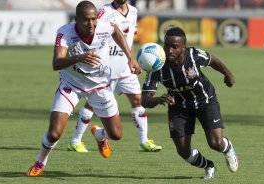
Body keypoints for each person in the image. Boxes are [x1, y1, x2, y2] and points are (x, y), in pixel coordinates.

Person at [26, 0, 140, 177]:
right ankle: (40, 161)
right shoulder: (65, 32)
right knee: (55, 133)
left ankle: (100, 136)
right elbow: (56, 63)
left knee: (116, 135)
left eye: (94, 19)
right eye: (86, 20)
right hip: (71, 84)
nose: (92, 24)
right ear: (77, 19)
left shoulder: (103, 26)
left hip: (100, 85)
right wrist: (79, 57)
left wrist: (130, 57)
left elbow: (116, 32)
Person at [141, 26, 238, 179]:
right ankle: (208, 165)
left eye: (174, 47)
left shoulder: (193, 56)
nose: (169, 50)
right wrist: (158, 99)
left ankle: (227, 148)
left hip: (205, 100)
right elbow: (144, 99)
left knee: (215, 143)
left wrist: (228, 74)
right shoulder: (157, 66)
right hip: (179, 107)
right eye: (167, 45)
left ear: (183, 47)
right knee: (183, 151)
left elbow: (213, 61)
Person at [67, 0, 162, 153]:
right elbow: (86, 31)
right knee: (92, 104)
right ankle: (75, 140)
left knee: (137, 100)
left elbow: (128, 38)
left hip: (125, 66)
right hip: (106, 67)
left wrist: (131, 58)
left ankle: (143, 141)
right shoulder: (104, 12)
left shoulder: (133, 11)